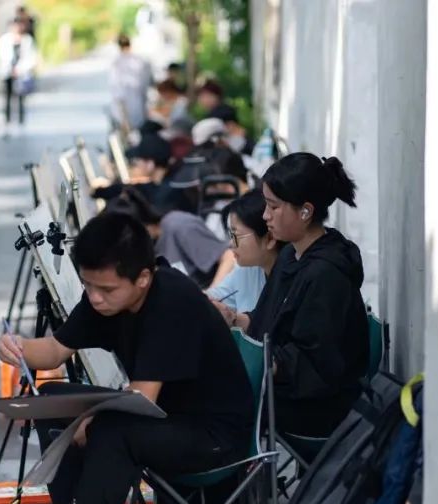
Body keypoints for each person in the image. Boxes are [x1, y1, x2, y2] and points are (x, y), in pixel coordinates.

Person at [0, 212, 253, 504]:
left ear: (143, 278)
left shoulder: (171, 301)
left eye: (106, 289)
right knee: (52, 399)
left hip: (214, 436)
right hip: (165, 418)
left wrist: (90, 421)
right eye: (88, 285)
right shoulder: (109, 296)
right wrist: (16, 347)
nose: (95, 298)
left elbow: (141, 400)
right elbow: (54, 350)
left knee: (113, 429)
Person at [247, 153, 369, 449]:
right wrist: (235, 320)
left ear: (305, 211)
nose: (265, 216)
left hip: (320, 408)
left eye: (274, 206)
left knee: (218, 402)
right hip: (283, 388)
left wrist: (255, 363)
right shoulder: (291, 255)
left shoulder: (327, 274)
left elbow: (317, 362)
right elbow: (271, 320)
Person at [106, 187, 236, 289]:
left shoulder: (179, 225)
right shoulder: (145, 250)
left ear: (143, 226)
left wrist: (212, 295)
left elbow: (229, 257)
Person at [206, 190, 281, 319]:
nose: (231, 243)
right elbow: (216, 295)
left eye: (235, 236)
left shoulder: (295, 278)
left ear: (269, 238)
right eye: (230, 236)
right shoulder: (246, 269)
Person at [0, 17, 38, 131]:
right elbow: (2, 56)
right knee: (8, 96)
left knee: (21, 96)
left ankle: (21, 119)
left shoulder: (27, 40)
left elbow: (31, 57)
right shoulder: (4, 40)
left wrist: (20, 69)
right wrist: (11, 68)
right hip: (7, 71)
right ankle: (8, 118)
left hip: (21, 72)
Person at [109, 34, 153, 132]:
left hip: (123, 105)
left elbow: (116, 89)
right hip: (139, 103)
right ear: (130, 44)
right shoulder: (141, 60)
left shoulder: (116, 63)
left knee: (127, 132)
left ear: (119, 46)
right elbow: (147, 83)